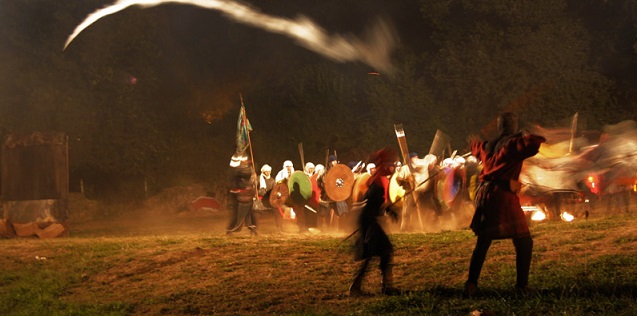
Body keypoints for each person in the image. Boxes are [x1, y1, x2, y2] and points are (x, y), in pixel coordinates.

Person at [464, 112, 546, 298]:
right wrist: (528, 134)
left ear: (500, 127)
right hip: (502, 197)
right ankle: (521, 287)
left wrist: (473, 142)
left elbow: (477, 147)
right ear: (513, 126)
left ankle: (471, 284)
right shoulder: (511, 145)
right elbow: (532, 144)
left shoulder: (489, 146)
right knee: (524, 241)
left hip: (485, 194)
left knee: (483, 242)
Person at [348, 147, 401, 297]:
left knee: (379, 253)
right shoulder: (379, 179)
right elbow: (373, 203)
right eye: (391, 164)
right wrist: (389, 210)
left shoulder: (378, 178)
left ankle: (381, 286)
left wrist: (389, 210)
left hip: (369, 219)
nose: (393, 167)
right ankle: (362, 287)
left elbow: (376, 203)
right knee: (382, 251)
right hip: (369, 220)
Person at [226, 158, 258, 236]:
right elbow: (234, 188)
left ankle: (253, 230)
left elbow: (254, 186)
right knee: (238, 217)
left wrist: (254, 182)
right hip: (241, 199)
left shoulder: (251, 177)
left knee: (249, 216)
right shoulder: (239, 178)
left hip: (249, 199)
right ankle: (230, 230)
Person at [258, 164, 282, 232]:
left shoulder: (272, 180)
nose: (268, 173)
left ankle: (279, 227)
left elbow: (275, 189)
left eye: (269, 171)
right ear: (263, 172)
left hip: (270, 200)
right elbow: (255, 189)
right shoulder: (258, 179)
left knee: (277, 213)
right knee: (255, 213)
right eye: (266, 171)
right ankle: (254, 229)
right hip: (260, 200)